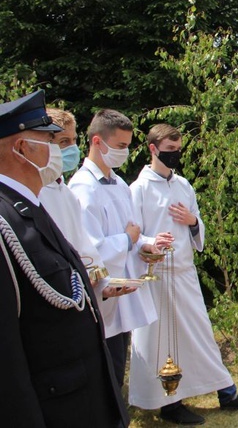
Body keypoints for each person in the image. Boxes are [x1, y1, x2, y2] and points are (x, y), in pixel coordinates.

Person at [0, 90, 128, 427]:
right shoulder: (4, 221)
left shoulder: (32, 205)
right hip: (54, 405)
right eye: (49, 141)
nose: (59, 151)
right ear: (22, 149)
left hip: (81, 398)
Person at [128, 124, 238, 425]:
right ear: (153, 149)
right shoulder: (138, 189)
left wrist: (192, 221)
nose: (175, 156)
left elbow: (198, 227)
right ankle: (169, 402)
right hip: (156, 275)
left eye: (178, 150)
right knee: (162, 339)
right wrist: (152, 242)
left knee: (201, 335)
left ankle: (226, 393)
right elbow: (131, 234)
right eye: (169, 151)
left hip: (184, 273)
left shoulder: (184, 185)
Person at [68, 109, 162, 388]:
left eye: (128, 145)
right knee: (105, 374)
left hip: (123, 294)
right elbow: (88, 250)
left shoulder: (119, 183)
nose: (125, 152)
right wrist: (129, 240)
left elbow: (132, 229)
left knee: (117, 368)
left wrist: (148, 244)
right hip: (102, 297)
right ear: (97, 142)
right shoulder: (83, 189)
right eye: (120, 146)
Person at [38, 108, 124, 299]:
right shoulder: (37, 193)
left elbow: (83, 247)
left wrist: (103, 286)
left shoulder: (66, 193)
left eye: (74, 140)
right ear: (46, 145)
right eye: (64, 142)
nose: (72, 148)